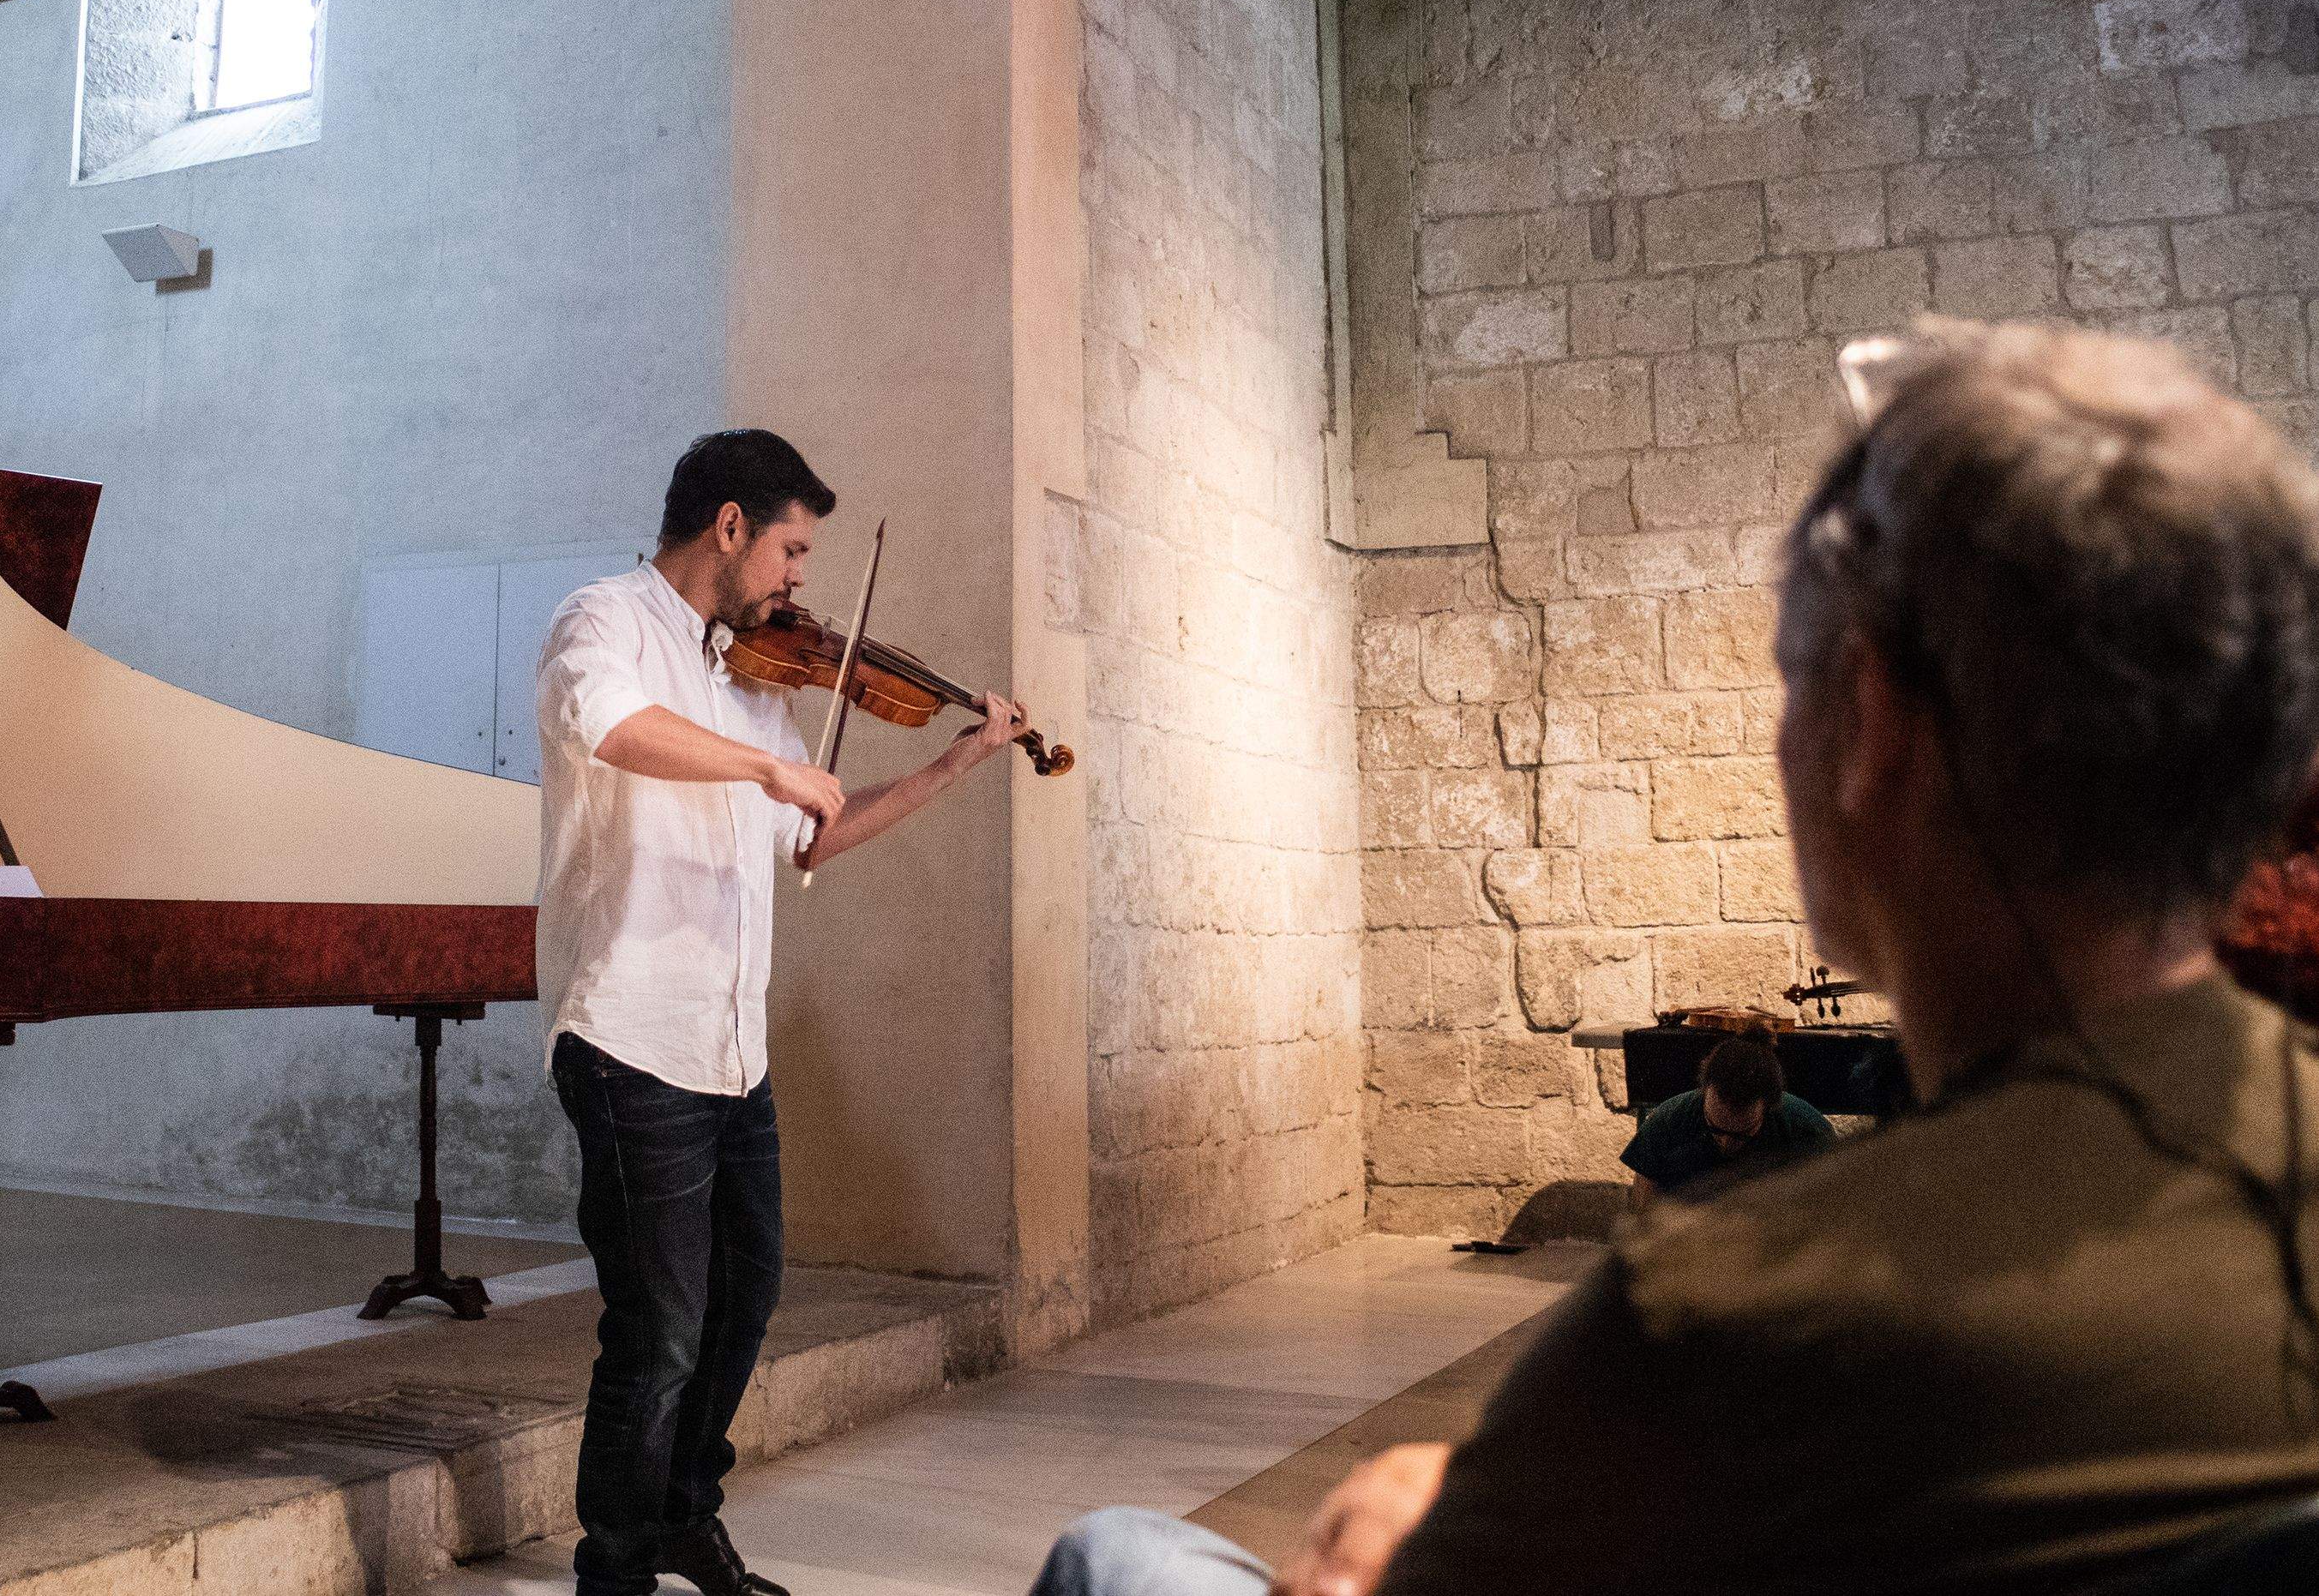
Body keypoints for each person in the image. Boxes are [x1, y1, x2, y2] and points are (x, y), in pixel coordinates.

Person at [1029, 320, 2319, 1595]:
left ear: (1870, 720)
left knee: (1121, 1553)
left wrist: (1385, 1539)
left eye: (1788, 678)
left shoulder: (1732, 1313)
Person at [538, 428, 1028, 1596]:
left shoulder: (751, 670)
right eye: (791, 548)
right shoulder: (599, 621)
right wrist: (763, 768)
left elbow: (811, 831)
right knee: (655, 1327)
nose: (800, 578)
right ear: (727, 527)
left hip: (729, 1046)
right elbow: (610, 727)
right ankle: (613, 1568)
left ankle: (680, 1515)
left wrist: (953, 766)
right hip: (628, 1034)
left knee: (743, 1295)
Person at [1620, 1025, 1835, 1207]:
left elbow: (1831, 1219)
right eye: (1714, 1128)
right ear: (1704, 1092)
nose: (1725, 1143)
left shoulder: (1807, 1132)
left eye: (1741, 1135)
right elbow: (1643, 1213)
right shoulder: (1669, 1122)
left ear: (1769, 1107)